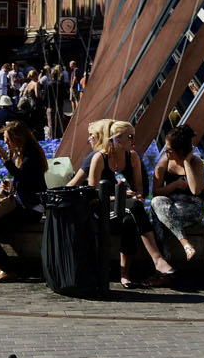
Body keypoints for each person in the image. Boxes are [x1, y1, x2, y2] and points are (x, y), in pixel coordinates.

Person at [71, 119, 177, 286]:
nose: (134, 141)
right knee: (133, 207)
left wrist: (138, 196)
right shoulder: (99, 158)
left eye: (134, 136)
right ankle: (157, 259)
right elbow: (93, 195)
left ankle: (125, 274)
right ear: (116, 139)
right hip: (103, 208)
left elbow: (140, 188)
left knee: (130, 220)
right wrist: (119, 197)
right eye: (130, 137)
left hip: (127, 208)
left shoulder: (132, 157)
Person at [0, 120, 49, 283]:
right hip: (21, 204)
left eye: (8, 139)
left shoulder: (32, 154)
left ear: (18, 138)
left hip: (31, 209)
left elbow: (21, 175)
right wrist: (10, 184)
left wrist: (3, 156)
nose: (6, 142)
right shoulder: (23, 153)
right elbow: (24, 180)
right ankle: (0, 265)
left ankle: (6, 267)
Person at [149, 124, 204, 263]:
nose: (166, 152)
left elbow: (196, 190)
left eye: (169, 150)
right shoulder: (164, 163)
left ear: (180, 151)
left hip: (192, 208)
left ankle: (163, 270)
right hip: (170, 208)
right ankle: (185, 244)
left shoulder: (196, 162)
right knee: (156, 203)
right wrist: (174, 185)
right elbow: (156, 192)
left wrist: (186, 163)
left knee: (159, 220)